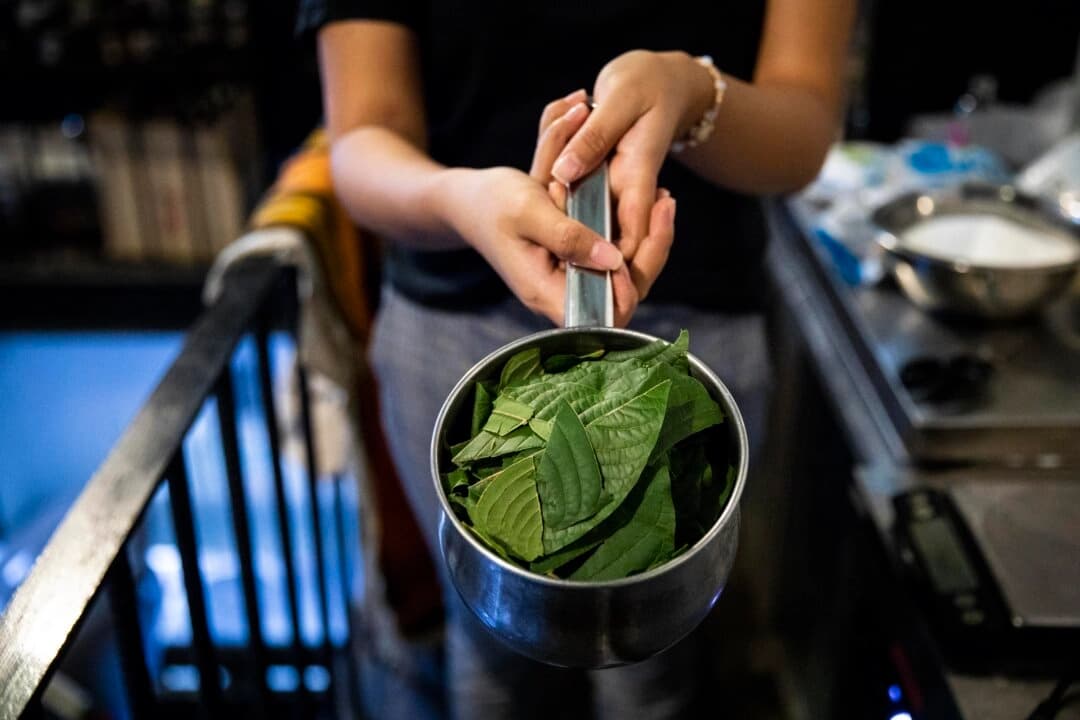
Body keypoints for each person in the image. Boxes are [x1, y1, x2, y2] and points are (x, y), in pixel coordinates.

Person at [300, 1, 854, 717]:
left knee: (651, 662)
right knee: (489, 653)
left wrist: (693, 93)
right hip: (456, 329)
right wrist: (461, 196)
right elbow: (363, 137)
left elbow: (803, 129)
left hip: (691, 326)